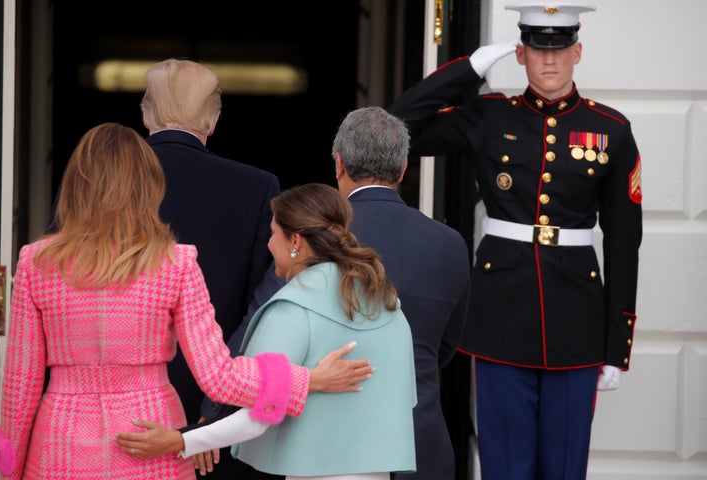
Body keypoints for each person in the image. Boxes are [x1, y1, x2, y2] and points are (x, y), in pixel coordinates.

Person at [0, 123, 373, 480]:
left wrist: (10, 468)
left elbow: (20, 387)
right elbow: (219, 376)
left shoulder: (37, 263)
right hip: (149, 437)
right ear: (147, 185)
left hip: (60, 444)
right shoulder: (175, 263)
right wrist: (306, 381)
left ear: (75, 184)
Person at [387, 3, 642, 480]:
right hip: (500, 316)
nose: (550, 60)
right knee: (504, 468)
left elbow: (625, 245)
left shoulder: (611, 131)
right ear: (521, 55)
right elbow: (396, 130)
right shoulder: (489, 116)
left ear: (578, 52)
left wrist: (616, 346)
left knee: (564, 469)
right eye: (538, 49)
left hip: (577, 323)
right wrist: (469, 69)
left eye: (561, 48)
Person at [115, 182, 418, 480]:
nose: (269, 243)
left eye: (273, 233)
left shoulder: (293, 308)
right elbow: (404, 400)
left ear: (296, 241)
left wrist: (180, 441)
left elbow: (258, 415)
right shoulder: (386, 303)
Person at [140, 58, 283, 478]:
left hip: (114, 404)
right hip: (217, 400)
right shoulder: (257, 187)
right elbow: (263, 306)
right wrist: (217, 412)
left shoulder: (93, 179)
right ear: (214, 120)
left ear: (146, 113)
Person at [332, 106, 471, 480]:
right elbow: (445, 345)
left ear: (339, 165)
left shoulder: (321, 239)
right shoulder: (450, 243)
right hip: (422, 444)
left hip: (338, 444)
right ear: (404, 167)